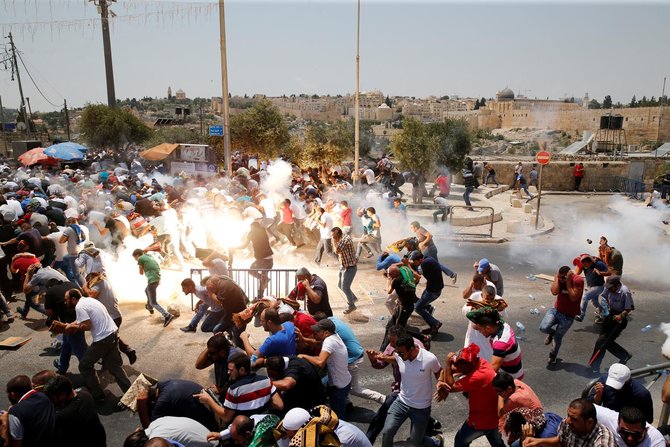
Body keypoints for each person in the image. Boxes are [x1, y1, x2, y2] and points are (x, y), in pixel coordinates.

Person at [63, 288, 131, 401]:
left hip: (103, 339)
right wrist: (70, 324)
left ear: (73, 299)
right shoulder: (89, 300)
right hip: (113, 334)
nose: (65, 302)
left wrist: (73, 327)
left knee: (84, 366)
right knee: (115, 367)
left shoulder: (79, 307)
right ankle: (131, 394)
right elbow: (83, 319)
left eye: (66, 300)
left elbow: (87, 325)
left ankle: (98, 395)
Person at [435, 344, 504, 447]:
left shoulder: (478, 376)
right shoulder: (480, 362)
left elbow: (450, 387)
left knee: (460, 440)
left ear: (467, 365)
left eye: (459, 365)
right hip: (494, 417)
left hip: (481, 420)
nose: (456, 366)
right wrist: (443, 378)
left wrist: (448, 365)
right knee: (497, 442)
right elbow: (453, 371)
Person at [380, 334, 443, 447]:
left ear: (412, 349)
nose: (399, 355)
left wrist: (440, 384)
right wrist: (382, 357)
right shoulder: (400, 355)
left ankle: (436, 441)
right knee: (387, 431)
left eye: (402, 353)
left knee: (415, 442)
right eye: (397, 352)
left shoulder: (429, 358)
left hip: (421, 407)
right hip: (401, 402)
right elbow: (395, 359)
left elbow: (438, 371)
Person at [194, 352, 283, 426]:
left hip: (243, 430)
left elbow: (226, 417)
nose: (229, 373)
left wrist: (209, 400)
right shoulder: (266, 381)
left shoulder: (234, 390)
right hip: (264, 425)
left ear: (242, 370)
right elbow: (279, 405)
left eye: (231, 370)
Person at [299, 318, 351, 419]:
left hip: (338, 386)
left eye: (317, 331)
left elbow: (320, 362)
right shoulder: (334, 336)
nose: (315, 333)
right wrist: (304, 339)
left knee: (338, 418)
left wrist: (303, 356)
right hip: (344, 380)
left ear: (326, 333)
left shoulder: (329, 341)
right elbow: (318, 343)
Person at [83, 271, 136, 365]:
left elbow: (91, 295)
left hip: (112, 318)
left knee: (107, 341)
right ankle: (126, 352)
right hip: (115, 316)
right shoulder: (105, 281)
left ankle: (116, 362)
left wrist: (85, 287)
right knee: (112, 339)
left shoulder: (98, 283)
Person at [43, 374, 107, 447]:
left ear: (62, 395)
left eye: (53, 398)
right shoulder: (84, 392)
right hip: (99, 437)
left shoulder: (63, 415)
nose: (52, 401)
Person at [523, 398, 616, 447]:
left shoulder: (603, 442)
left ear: (589, 422)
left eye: (574, 419)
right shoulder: (569, 424)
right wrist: (537, 442)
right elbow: (560, 441)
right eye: (568, 415)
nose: (567, 421)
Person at [540, 266, 584, 364]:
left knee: (558, 337)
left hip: (568, 315)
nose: (561, 280)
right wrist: (557, 279)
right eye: (559, 277)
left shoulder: (578, 280)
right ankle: (551, 333)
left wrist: (568, 282)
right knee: (543, 327)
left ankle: (553, 355)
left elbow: (573, 298)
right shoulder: (559, 278)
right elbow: (554, 292)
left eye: (562, 278)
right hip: (556, 310)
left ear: (568, 276)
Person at [136, 379, 219, 432]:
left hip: (207, 426)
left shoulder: (163, 401)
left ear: (153, 402)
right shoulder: (163, 384)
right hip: (207, 411)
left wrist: (141, 406)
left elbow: (150, 430)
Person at [589, 276, 634, 373]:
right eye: (607, 287)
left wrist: (620, 316)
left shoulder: (625, 292)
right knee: (603, 342)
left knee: (602, 342)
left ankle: (594, 367)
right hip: (609, 315)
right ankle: (624, 355)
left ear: (617, 285)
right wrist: (602, 305)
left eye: (610, 288)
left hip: (619, 319)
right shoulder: (608, 287)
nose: (608, 289)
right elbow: (603, 296)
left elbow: (629, 308)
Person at [467, 307, 524, 379]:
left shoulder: (501, 343)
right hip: (512, 367)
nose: (479, 331)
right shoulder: (501, 324)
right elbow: (473, 323)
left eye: (480, 329)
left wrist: (469, 374)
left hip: (509, 378)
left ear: (488, 328)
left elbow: (492, 371)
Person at [408, 250, 457, 335]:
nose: (415, 264)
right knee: (421, 303)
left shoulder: (424, 264)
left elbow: (417, 275)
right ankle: (433, 326)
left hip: (432, 292)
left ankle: (435, 323)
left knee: (417, 308)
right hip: (433, 289)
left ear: (419, 260)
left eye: (415, 262)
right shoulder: (429, 258)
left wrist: (408, 265)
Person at [588, 363, 654, 424]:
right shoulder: (603, 381)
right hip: (606, 419)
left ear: (627, 381)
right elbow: (589, 405)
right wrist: (598, 395)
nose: (613, 388)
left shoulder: (641, 394)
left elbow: (648, 419)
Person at [5, 375, 56, 447]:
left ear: (13, 394)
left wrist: (12, 412)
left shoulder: (16, 412)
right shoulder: (44, 397)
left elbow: (16, 443)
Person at [132, 248, 174, 327]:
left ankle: (167, 315)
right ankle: (150, 307)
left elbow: (141, 273)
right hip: (157, 278)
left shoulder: (140, 258)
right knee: (146, 290)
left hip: (153, 280)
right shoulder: (148, 255)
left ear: (137, 255)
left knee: (153, 302)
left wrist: (141, 267)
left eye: (135, 258)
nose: (135, 260)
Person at [205, 275, 249, 348]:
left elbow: (218, 301)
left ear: (213, 284)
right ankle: (227, 347)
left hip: (239, 316)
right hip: (230, 315)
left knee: (239, 343)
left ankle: (256, 355)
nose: (210, 290)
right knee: (217, 330)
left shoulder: (224, 286)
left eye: (210, 288)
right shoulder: (222, 282)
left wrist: (211, 293)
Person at [595, 405, 665, 447]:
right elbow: (586, 407)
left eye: (636, 435)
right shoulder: (609, 418)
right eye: (625, 433)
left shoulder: (656, 442)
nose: (630, 439)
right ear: (618, 423)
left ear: (646, 430)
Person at [239, 221, 273, 300]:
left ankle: (264, 280)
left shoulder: (252, 232)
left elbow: (244, 246)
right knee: (262, 279)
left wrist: (234, 247)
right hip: (270, 259)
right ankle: (260, 296)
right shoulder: (263, 231)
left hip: (263, 259)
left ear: (253, 227)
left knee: (251, 270)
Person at [332, 226, 359, 314]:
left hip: (350, 267)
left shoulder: (344, 240)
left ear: (338, 233)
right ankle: (353, 298)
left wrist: (333, 241)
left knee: (345, 287)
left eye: (334, 235)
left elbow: (336, 250)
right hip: (343, 266)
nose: (333, 237)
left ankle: (351, 306)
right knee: (340, 285)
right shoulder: (341, 238)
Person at [575, 254, 608, 322]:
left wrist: (600, 273)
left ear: (590, 262)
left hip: (599, 286)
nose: (585, 267)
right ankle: (604, 313)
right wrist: (579, 265)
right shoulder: (584, 265)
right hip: (590, 286)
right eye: (584, 265)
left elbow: (609, 272)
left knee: (585, 297)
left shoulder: (599, 264)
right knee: (595, 302)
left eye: (586, 265)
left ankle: (581, 315)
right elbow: (577, 273)